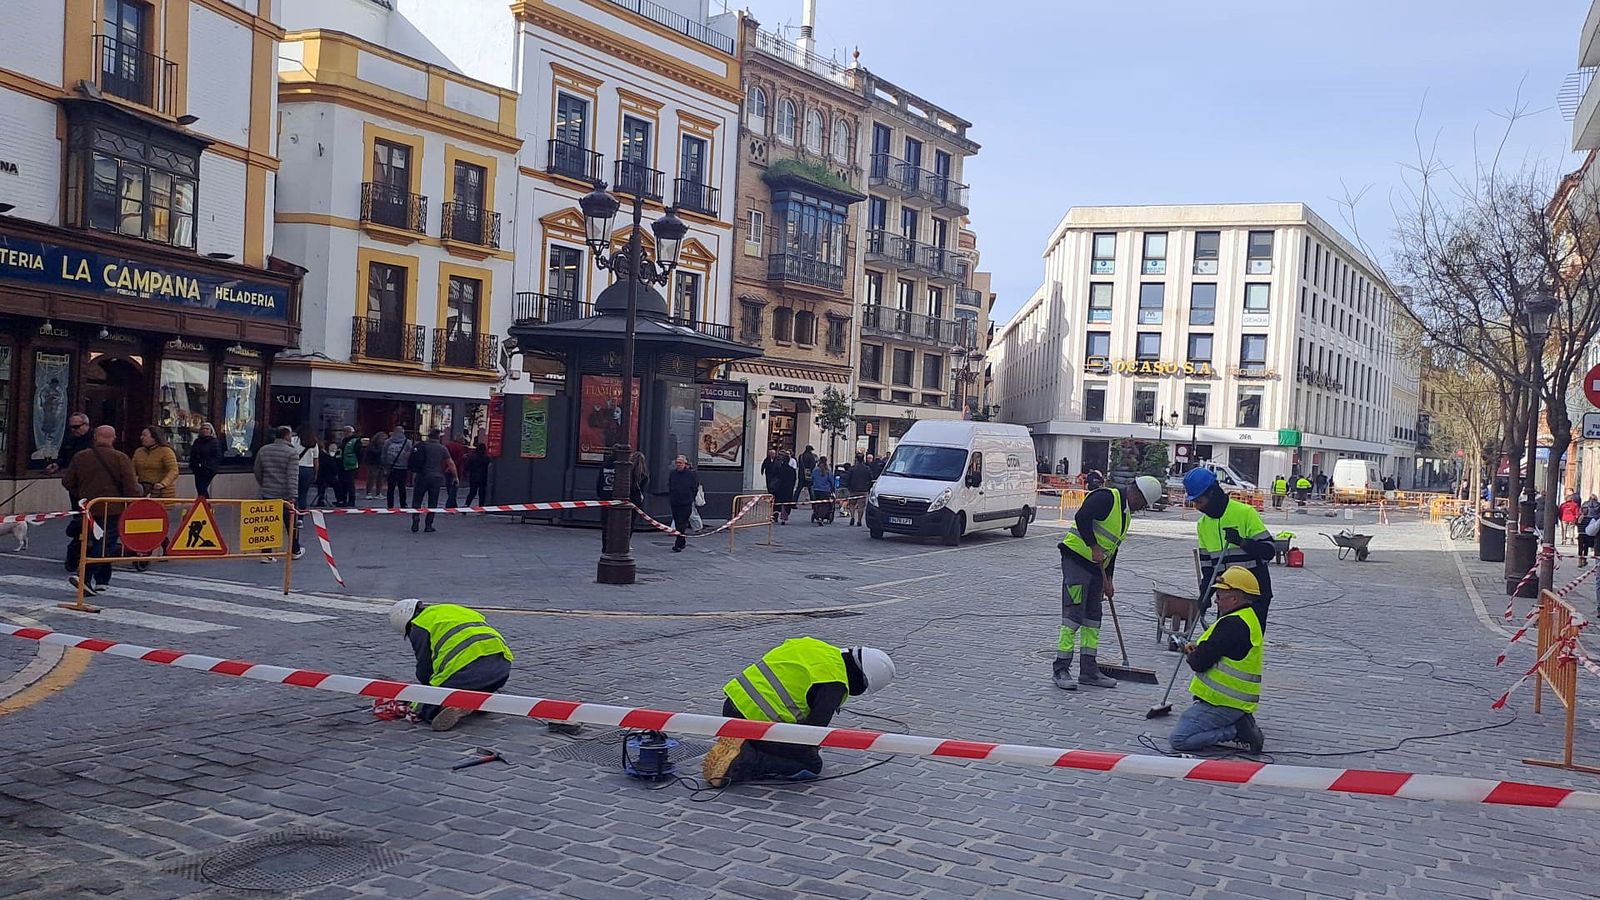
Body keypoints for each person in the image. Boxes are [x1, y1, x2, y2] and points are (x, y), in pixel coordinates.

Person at [702, 639, 896, 787]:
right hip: (757, 724)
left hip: (731, 708)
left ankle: (738, 742)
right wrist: (809, 750)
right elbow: (811, 735)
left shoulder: (812, 646)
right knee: (809, 766)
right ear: (861, 680)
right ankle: (742, 760)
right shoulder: (835, 683)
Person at [1055, 474, 1165, 690]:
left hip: (1097, 570)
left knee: (1093, 619)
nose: (1140, 508)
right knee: (1073, 616)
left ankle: (1088, 671)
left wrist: (1110, 580)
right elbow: (1082, 518)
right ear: (1136, 494)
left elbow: (1112, 549)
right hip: (1076, 561)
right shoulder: (1106, 498)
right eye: (1141, 503)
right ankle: (1060, 669)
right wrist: (1093, 547)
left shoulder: (1126, 516)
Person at [1170, 566, 1266, 754]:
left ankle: (1236, 730)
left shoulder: (1230, 625)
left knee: (1180, 739)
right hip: (1235, 702)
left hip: (1223, 703)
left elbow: (1199, 663)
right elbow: (1220, 650)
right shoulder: (1248, 617)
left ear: (1235, 598)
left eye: (1220, 596)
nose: (1216, 601)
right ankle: (1238, 723)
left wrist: (1191, 654)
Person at [389, 599, 513, 732]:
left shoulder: (419, 625)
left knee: (426, 707)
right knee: (471, 683)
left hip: (468, 670)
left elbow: (425, 668)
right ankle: (483, 694)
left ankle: (461, 706)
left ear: (406, 624)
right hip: (502, 666)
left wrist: (426, 692)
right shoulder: (450, 609)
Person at [1185, 467, 1277, 626]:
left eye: (1200, 501)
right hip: (1227, 598)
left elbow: (1269, 551)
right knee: (1225, 645)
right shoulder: (1203, 525)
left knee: (1248, 644)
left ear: (1212, 493)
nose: (1197, 507)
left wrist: (1241, 542)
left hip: (1253, 596)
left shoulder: (1245, 513)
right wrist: (1205, 596)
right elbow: (1209, 569)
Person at [61, 425, 141, 595]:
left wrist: (82, 494)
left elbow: (68, 482)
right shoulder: (121, 458)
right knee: (105, 543)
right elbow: (130, 486)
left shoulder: (81, 456)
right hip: (112, 508)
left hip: (88, 508)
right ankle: (85, 576)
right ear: (113, 438)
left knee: (94, 541)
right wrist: (131, 503)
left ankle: (103, 580)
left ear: (95, 437)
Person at [252, 426, 304, 560]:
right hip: (285, 494)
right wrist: (293, 495)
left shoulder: (264, 450)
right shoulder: (292, 453)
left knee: (267, 523)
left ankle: (266, 553)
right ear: (287, 436)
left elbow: (257, 470)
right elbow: (292, 476)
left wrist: (264, 484)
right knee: (290, 523)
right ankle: (294, 549)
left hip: (268, 492)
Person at [409, 429, 451, 533]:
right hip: (436, 478)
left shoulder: (419, 446)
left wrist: (414, 475)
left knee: (417, 499)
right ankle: (428, 525)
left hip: (421, 476)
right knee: (433, 501)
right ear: (438, 437)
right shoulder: (442, 448)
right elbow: (450, 463)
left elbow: (412, 460)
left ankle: (416, 516)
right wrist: (455, 477)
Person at [132, 426, 179, 500]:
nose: (141, 437)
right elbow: (132, 469)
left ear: (155, 437)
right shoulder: (139, 451)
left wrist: (163, 484)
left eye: (144, 435)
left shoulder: (166, 451)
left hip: (162, 493)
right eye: (141, 435)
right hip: (144, 490)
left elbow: (174, 470)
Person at [667, 455, 699, 552]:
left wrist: (690, 498)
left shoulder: (691, 474)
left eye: (680, 463)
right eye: (677, 463)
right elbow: (670, 485)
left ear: (685, 464)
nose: (678, 465)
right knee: (678, 523)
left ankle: (678, 544)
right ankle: (682, 541)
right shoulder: (673, 474)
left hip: (686, 502)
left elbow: (695, 487)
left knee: (682, 523)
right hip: (675, 502)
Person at [382, 428, 415, 509]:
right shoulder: (407, 442)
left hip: (391, 467)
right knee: (402, 487)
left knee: (391, 488)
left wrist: (385, 466)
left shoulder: (388, 442)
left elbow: (383, 455)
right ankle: (403, 504)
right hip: (403, 467)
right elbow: (410, 454)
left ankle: (390, 505)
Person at [189, 422, 223, 499]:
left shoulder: (214, 442)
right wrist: (193, 465)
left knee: (202, 488)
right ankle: (204, 506)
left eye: (207, 429)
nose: (205, 430)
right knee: (200, 490)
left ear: (211, 431)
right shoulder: (197, 441)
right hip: (197, 469)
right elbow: (193, 454)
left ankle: (207, 506)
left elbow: (217, 457)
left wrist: (208, 466)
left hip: (208, 470)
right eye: (203, 428)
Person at [845, 453, 874, 527]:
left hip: (853, 489)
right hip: (863, 490)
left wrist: (848, 486)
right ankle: (859, 520)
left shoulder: (852, 468)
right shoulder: (867, 468)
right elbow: (871, 477)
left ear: (856, 459)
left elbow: (847, 478)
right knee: (861, 506)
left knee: (852, 504)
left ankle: (852, 517)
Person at [294, 426, 319, 513]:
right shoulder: (314, 443)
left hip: (295, 468)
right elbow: (316, 460)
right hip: (308, 469)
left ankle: (292, 516)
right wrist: (315, 473)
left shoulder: (294, 440)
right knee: (303, 494)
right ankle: (301, 518)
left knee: (293, 493)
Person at [338, 425, 362, 507]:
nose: (345, 433)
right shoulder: (343, 440)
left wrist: (357, 462)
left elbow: (359, 453)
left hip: (351, 465)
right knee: (342, 483)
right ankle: (343, 500)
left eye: (347, 431)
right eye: (344, 431)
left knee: (350, 483)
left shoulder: (355, 441)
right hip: (342, 464)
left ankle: (351, 500)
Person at [810, 456, 836, 525]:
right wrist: (833, 489)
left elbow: (812, 479)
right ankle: (821, 517)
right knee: (825, 504)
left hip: (816, 490)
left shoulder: (815, 470)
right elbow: (832, 481)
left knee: (817, 502)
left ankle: (816, 513)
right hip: (825, 490)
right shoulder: (828, 471)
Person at [314, 437, 341, 506]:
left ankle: (321, 498)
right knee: (337, 483)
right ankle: (339, 499)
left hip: (318, 476)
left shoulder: (317, 455)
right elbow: (334, 468)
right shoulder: (327, 456)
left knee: (321, 483)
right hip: (327, 477)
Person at [445, 431, 468, 508]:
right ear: (460, 439)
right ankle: (449, 505)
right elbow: (460, 459)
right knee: (454, 489)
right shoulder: (460, 447)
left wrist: (445, 468)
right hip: (456, 470)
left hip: (447, 470)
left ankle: (454, 505)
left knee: (449, 488)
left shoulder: (447, 445)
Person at [465, 441, 491, 507]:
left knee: (472, 492)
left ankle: (466, 505)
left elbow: (467, 467)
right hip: (483, 477)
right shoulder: (486, 458)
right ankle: (481, 507)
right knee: (482, 493)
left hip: (473, 477)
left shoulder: (472, 457)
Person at [365, 430, 388, 500]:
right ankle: (368, 493)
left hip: (381, 463)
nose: (384, 440)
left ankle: (378, 493)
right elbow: (372, 452)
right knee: (371, 478)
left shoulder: (384, 445)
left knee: (380, 479)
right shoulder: (372, 445)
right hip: (373, 463)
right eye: (383, 438)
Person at [1580, 494, 1600, 567]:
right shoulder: (1598, 505)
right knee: (1587, 545)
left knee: (1582, 545)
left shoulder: (1585, 504)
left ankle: (1581, 560)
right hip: (1593, 526)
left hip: (1585, 525)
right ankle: (1584, 560)